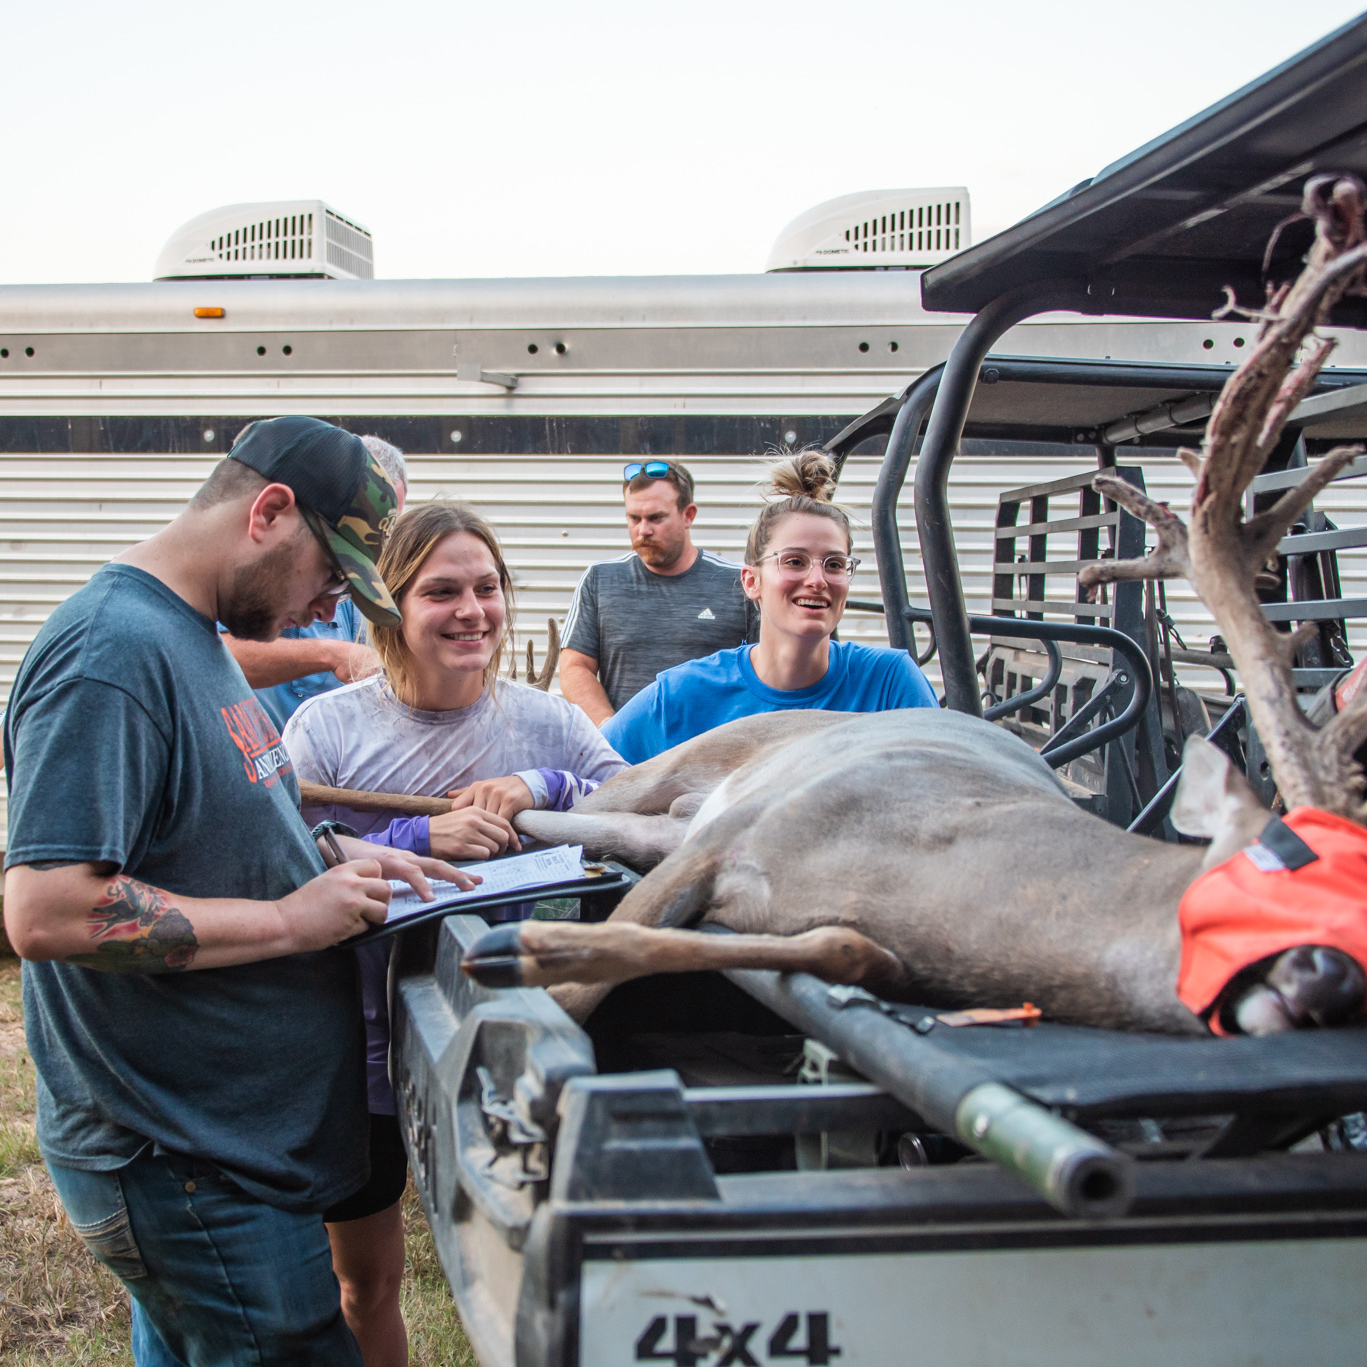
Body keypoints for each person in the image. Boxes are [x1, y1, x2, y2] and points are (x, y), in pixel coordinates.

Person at [1, 416, 472, 1366]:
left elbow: (212, 825)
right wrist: (293, 918)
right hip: (179, 1160)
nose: (327, 603)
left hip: (225, 1149)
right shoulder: (112, 654)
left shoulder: (189, 634)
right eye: (330, 574)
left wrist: (329, 852)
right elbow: (47, 908)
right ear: (268, 512)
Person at [284, 498, 626, 1366]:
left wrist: (541, 783)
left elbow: (633, 810)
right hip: (355, 1050)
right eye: (442, 591)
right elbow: (288, 861)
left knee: (528, 1268)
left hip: (503, 1039)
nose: (472, 610)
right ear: (389, 604)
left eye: (486, 587)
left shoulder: (544, 721)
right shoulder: (328, 729)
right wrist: (412, 838)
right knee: (366, 1281)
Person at [602, 451, 938, 763]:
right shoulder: (681, 698)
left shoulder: (890, 685)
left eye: (835, 564)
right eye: (794, 561)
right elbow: (590, 770)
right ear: (751, 582)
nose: (817, 579)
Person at [222, 435, 409, 729]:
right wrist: (331, 655)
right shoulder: (242, 566)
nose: (376, 544)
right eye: (368, 520)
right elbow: (218, 654)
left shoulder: (354, 579)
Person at [560, 460, 756, 723]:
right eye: (634, 518)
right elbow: (575, 667)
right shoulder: (600, 580)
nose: (643, 530)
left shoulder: (737, 584)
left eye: (656, 518)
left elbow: (767, 672)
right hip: (627, 759)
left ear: (688, 515)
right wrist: (613, 731)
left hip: (714, 757)